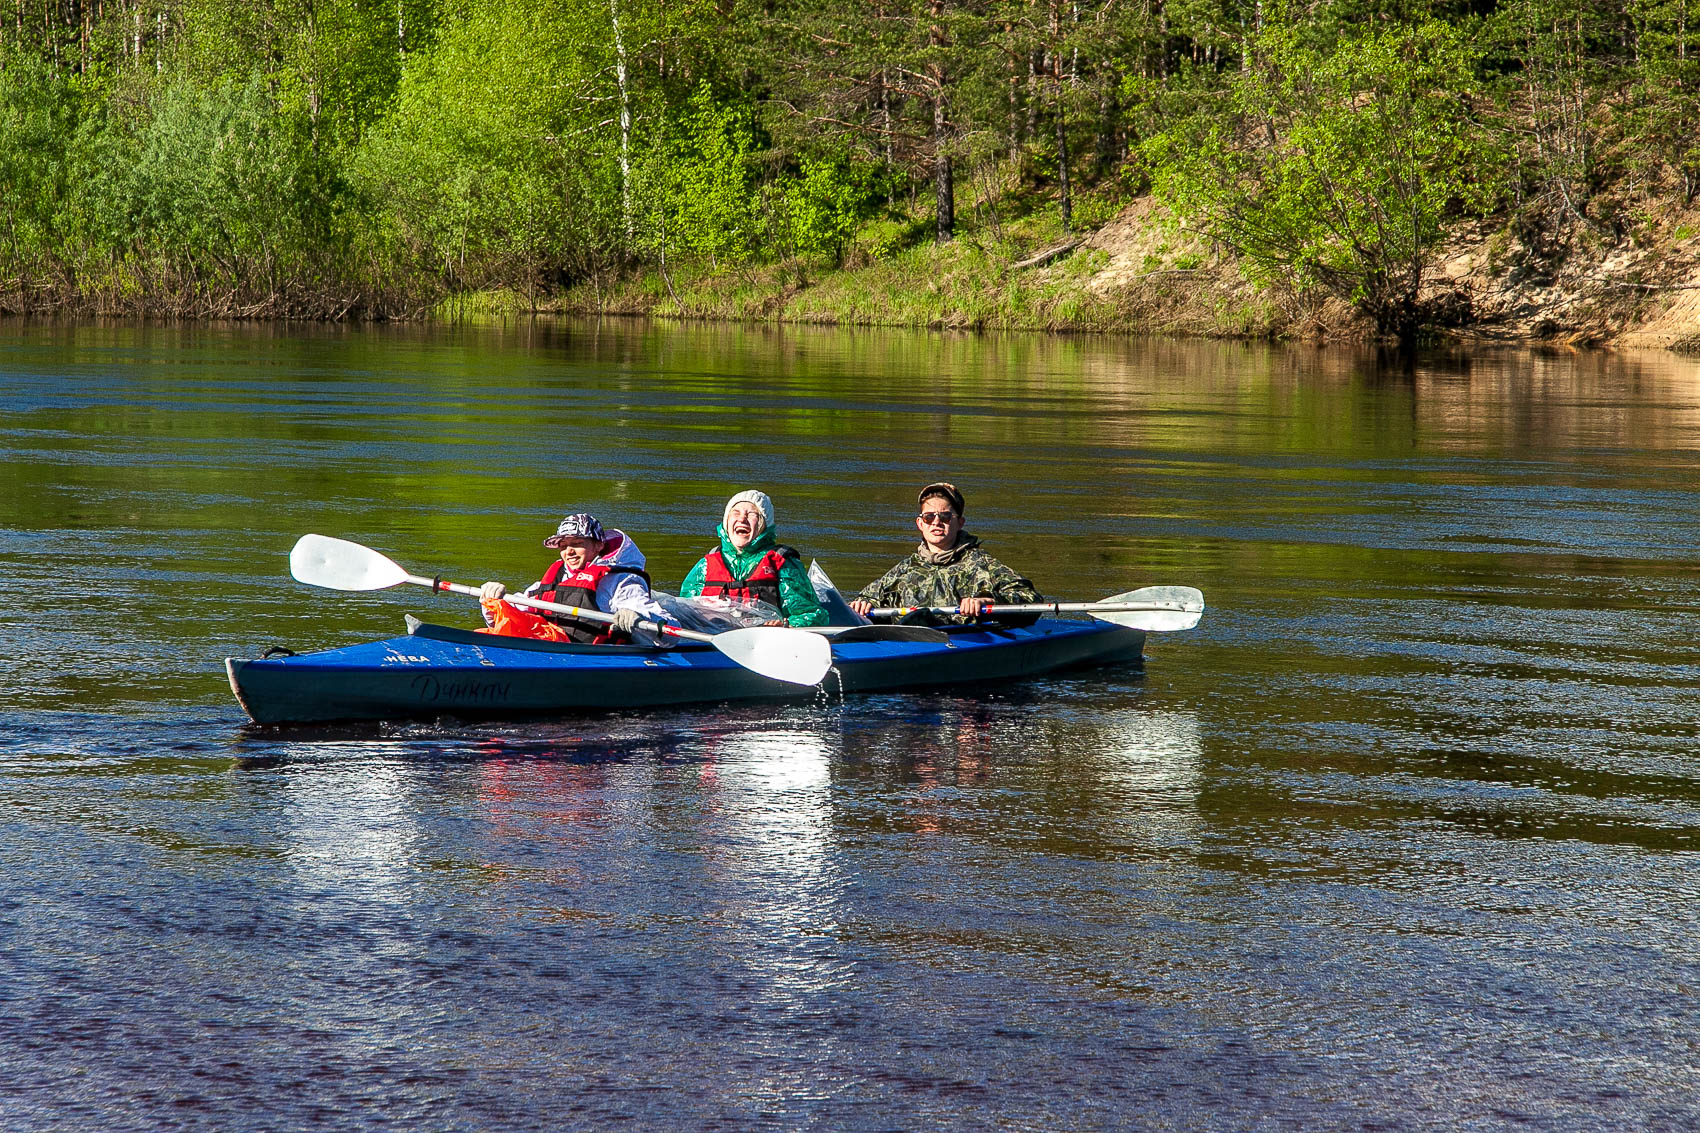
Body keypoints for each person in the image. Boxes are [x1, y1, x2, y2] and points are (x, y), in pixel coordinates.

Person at [848, 482, 1041, 624]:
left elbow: (1030, 599)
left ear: (960, 523)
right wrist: (862, 604)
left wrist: (988, 602)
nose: (936, 522)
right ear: (920, 523)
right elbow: (867, 598)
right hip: (908, 642)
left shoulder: (983, 564)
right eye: (929, 517)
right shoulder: (904, 570)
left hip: (966, 643)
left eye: (945, 516)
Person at [479, 513, 674, 644]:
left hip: (593, 659)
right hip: (549, 651)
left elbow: (670, 632)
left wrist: (640, 617)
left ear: (598, 546)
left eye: (577, 544)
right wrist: (492, 600)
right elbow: (505, 621)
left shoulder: (619, 582)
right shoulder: (554, 578)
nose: (569, 552)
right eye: (564, 546)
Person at [678, 490, 830, 627]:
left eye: (752, 514)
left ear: (764, 524)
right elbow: (684, 612)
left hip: (767, 640)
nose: (742, 519)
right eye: (736, 513)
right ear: (726, 522)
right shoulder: (705, 565)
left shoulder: (783, 565)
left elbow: (814, 616)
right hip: (712, 639)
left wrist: (786, 625)